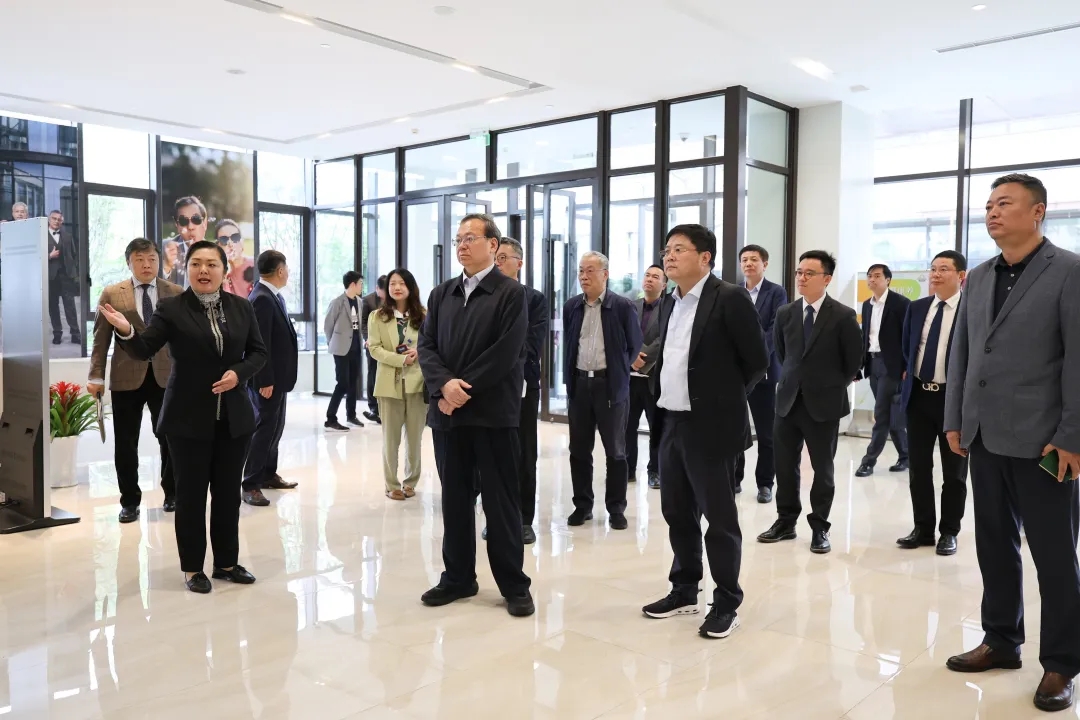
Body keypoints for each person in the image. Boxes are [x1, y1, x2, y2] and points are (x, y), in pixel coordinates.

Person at [943, 173, 1080, 713]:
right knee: (994, 545)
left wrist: (1072, 435)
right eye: (988, 205)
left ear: (1038, 211)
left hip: (1046, 443)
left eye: (1004, 203)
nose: (992, 212)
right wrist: (956, 418)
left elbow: (1078, 360)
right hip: (985, 437)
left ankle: (1062, 663)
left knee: (1055, 556)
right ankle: (1001, 639)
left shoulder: (1068, 271)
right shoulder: (978, 276)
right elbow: (963, 352)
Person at [97, 240, 267, 595]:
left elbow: (258, 352)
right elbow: (145, 348)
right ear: (186, 269)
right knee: (190, 496)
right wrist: (126, 330)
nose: (204, 270)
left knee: (227, 495)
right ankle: (193, 567)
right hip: (187, 418)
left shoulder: (241, 307)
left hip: (233, 418)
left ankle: (226, 563)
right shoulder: (172, 308)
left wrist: (238, 373)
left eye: (212, 264)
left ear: (223, 270)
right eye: (196, 264)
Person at [642, 224, 768, 640]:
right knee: (677, 512)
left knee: (719, 519)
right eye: (667, 249)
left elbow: (757, 361)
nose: (669, 256)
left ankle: (727, 601)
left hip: (711, 426)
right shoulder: (668, 301)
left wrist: (721, 400)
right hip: (671, 421)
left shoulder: (728, 297)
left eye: (679, 249)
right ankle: (684, 589)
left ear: (705, 257)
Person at [417, 213, 534, 618]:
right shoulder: (442, 294)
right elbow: (427, 346)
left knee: (502, 503)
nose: (463, 245)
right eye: (459, 239)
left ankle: (514, 585)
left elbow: (507, 352)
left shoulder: (510, 293)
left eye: (471, 238)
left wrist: (459, 390)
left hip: (492, 415)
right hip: (448, 417)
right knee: (454, 500)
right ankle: (458, 577)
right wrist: (443, 386)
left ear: (493, 245)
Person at [757, 250, 862, 554]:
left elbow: (853, 362)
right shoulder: (786, 313)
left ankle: (820, 527)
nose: (801, 278)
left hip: (824, 404)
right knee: (784, 466)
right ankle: (785, 521)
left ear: (826, 279)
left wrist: (826, 386)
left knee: (822, 470)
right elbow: (782, 353)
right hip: (788, 402)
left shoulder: (842, 315)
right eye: (799, 272)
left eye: (809, 273)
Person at [88, 238, 182, 522]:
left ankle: (173, 493)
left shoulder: (175, 292)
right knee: (126, 442)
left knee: (169, 438)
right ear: (129, 262)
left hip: (166, 376)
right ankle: (129, 501)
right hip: (126, 377)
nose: (146, 265)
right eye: (139, 259)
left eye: (152, 259)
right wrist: (95, 375)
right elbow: (100, 340)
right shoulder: (112, 293)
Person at [563, 251, 642, 530]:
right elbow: (570, 343)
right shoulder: (572, 306)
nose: (583, 276)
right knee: (579, 450)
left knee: (616, 451)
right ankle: (582, 506)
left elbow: (634, 345)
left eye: (590, 271)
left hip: (610, 386)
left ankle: (616, 508)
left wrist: (617, 370)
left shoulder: (622, 306)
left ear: (605, 274)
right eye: (581, 271)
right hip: (579, 385)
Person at [897, 250, 968, 556]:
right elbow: (907, 348)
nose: (936, 274)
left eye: (944, 269)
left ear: (961, 276)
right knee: (919, 468)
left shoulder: (971, 310)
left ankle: (949, 531)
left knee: (954, 472)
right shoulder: (917, 308)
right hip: (919, 398)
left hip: (954, 401)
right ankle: (923, 528)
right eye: (933, 268)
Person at [488, 237, 548, 542]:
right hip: (488, 386)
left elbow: (531, 345)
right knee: (491, 455)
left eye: (503, 258)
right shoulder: (485, 296)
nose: (497, 263)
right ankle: (495, 516)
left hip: (522, 385)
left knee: (524, 453)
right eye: (495, 257)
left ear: (519, 263)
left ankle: (524, 519)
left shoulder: (534, 299)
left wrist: (497, 357)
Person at [242, 250, 299, 507]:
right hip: (268, 380)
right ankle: (250, 483)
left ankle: (267, 473)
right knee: (263, 430)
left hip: (279, 378)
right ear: (280, 270)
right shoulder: (262, 298)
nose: (288, 273)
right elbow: (258, 344)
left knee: (275, 427)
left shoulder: (272, 295)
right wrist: (263, 380)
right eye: (286, 269)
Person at [369, 269, 428, 501]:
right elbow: (374, 348)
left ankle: (410, 482)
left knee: (414, 438)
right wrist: (400, 359)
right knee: (390, 438)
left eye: (402, 283)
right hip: (388, 384)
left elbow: (434, 344)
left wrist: (419, 352)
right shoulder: (377, 316)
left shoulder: (424, 315)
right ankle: (391, 484)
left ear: (410, 287)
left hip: (417, 382)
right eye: (393, 283)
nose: (397, 287)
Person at [736, 244, 788, 502]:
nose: (748, 263)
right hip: (735, 373)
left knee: (767, 433)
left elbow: (774, 329)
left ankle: (765, 483)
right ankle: (734, 478)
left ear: (764, 264)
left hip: (765, 372)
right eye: (744, 259)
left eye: (754, 259)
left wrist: (752, 357)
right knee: (735, 429)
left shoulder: (776, 292)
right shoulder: (734, 292)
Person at [855, 264, 910, 477]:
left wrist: (906, 366)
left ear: (888, 280)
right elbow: (865, 336)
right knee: (889, 413)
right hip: (873, 363)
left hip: (892, 366)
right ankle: (906, 456)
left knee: (881, 413)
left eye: (877, 276)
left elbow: (908, 337)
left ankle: (868, 461)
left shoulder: (901, 303)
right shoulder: (866, 305)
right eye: (869, 276)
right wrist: (859, 365)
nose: (872, 279)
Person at [627, 264, 666, 490]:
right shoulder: (630, 306)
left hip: (654, 378)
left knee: (656, 428)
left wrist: (641, 357)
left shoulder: (669, 308)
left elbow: (665, 338)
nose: (650, 279)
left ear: (664, 284)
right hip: (630, 379)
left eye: (655, 277)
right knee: (627, 427)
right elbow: (624, 334)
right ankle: (628, 470)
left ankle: (655, 471)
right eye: (647, 275)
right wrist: (633, 356)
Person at [323, 271, 366, 432]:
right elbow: (328, 325)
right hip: (341, 348)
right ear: (353, 284)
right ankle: (330, 418)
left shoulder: (360, 302)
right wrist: (332, 343)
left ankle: (351, 415)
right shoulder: (337, 302)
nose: (361, 286)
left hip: (356, 347)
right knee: (342, 383)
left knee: (354, 382)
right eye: (360, 283)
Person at [47, 210, 80, 345]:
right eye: (54, 218)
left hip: (66, 276)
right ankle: (57, 333)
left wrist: (73, 272)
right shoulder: (41, 236)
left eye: (59, 219)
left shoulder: (67, 236)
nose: (56, 221)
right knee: (53, 306)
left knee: (70, 306)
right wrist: (49, 256)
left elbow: (74, 254)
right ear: (49, 219)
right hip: (50, 277)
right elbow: (37, 256)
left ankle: (75, 334)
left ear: (62, 221)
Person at [165, 196, 208, 287]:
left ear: (205, 223)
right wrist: (166, 267)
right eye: (183, 221)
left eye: (196, 219)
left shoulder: (216, 254)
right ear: (177, 225)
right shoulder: (165, 248)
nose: (190, 227)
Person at [362, 275, 388, 424]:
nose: (385, 295)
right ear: (377, 288)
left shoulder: (393, 298)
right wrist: (368, 338)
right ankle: (374, 408)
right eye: (383, 291)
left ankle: (386, 408)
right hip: (372, 344)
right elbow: (363, 322)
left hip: (388, 344)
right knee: (372, 374)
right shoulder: (368, 300)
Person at [216, 219, 255, 298]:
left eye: (235, 237)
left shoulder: (256, 264)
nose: (230, 244)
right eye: (224, 240)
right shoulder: (222, 277)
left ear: (242, 242)